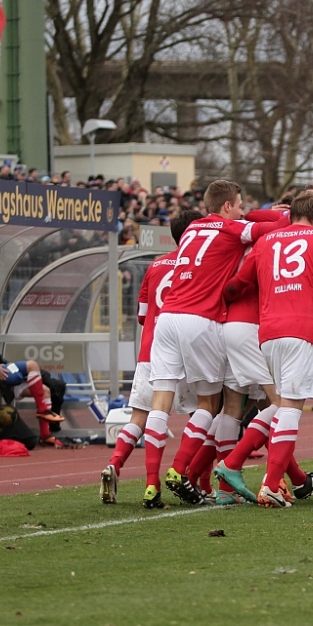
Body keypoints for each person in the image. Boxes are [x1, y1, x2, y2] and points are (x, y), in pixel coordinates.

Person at [142, 179, 286, 507]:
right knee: (209, 405)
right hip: (201, 319)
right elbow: (277, 228)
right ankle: (179, 469)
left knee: (160, 403)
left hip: (166, 318)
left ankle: (151, 483)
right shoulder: (231, 228)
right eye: (239, 206)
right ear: (227, 206)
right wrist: (271, 213)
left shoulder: (191, 228)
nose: (242, 213)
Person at [217, 191, 313, 508]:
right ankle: (269, 483)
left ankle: (236, 464)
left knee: (280, 405)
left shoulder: (266, 241)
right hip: (302, 328)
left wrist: (227, 298)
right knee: (290, 406)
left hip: (268, 331)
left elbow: (237, 284)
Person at [101, 209, 201, 506]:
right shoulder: (199, 264)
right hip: (187, 351)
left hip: (151, 351)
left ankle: (118, 466)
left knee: (140, 417)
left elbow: (143, 316)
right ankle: (197, 479)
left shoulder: (156, 266)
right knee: (204, 413)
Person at [0, 311, 66, 446]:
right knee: (32, 365)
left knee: (46, 391)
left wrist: (4, 365)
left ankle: (45, 435)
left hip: (4, 370)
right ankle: (43, 410)